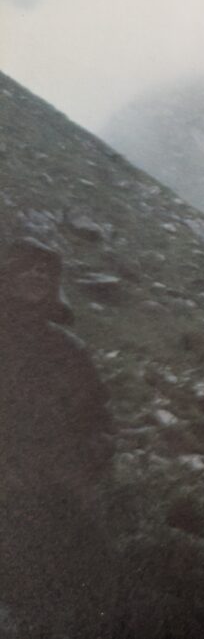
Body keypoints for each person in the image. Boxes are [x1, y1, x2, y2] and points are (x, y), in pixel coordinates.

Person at [0, 238, 115, 638]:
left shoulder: (69, 352)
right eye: (27, 266)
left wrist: (82, 461)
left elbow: (100, 423)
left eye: (46, 271)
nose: (37, 275)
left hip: (56, 502)